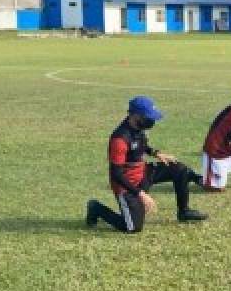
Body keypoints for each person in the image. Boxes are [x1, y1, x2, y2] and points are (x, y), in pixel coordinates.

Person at [86, 96, 208, 233]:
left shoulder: (137, 127)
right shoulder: (119, 139)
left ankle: (184, 211)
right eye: (148, 117)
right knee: (133, 228)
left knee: (180, 169)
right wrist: (141, 194)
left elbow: (140, 145)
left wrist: (156, 153)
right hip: (127, 185)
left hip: (143, 173)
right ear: (135, 115)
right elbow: (117, 174)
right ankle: (96, 208)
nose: (151, 121)